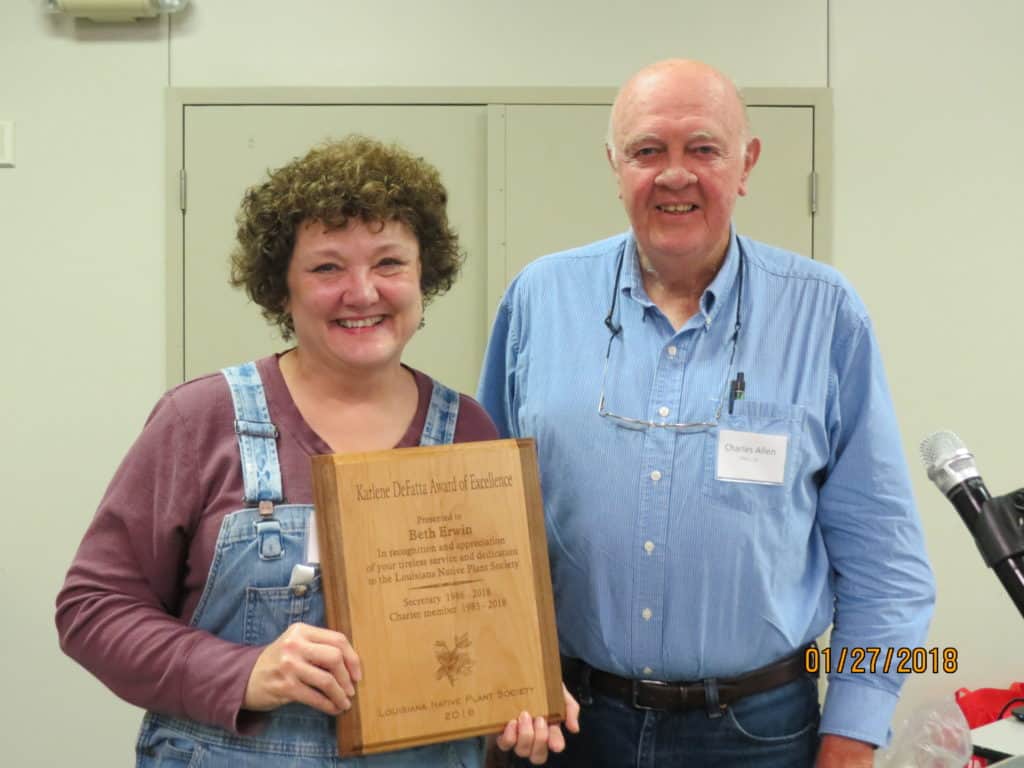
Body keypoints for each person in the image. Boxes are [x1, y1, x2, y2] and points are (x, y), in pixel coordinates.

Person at [56, 135, 575, 767]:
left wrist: (513, 704)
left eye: (389, 263)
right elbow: (92, 611)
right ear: (282, 288)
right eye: (327, 267)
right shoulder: (200, 420)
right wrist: (242, 674)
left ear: (423, 277)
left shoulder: (468, 428)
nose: (361, 292)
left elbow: (491, 639)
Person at [477, 59, 936, 767]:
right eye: (648, 151)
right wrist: (494, 681)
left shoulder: (824, 314)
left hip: (759, 733)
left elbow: (885, 561)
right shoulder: (540, 298)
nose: (675, 175)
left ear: (746, 162)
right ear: (615, 164)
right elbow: (486, 528)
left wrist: (851, 738)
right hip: (568, 724)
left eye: (703, 148)